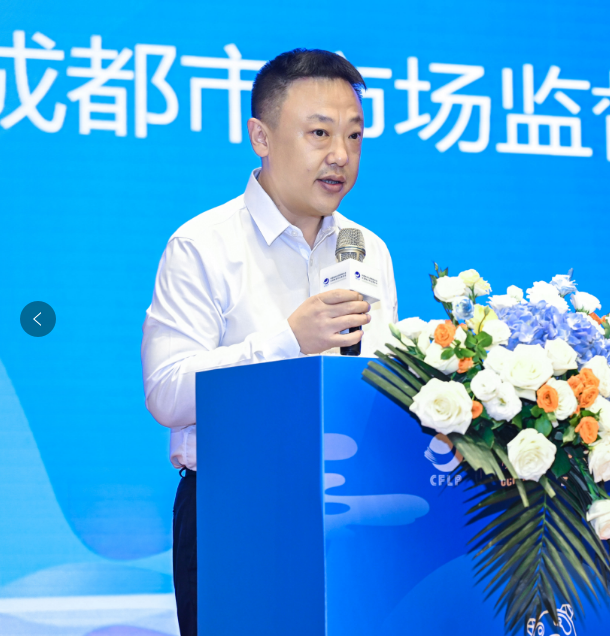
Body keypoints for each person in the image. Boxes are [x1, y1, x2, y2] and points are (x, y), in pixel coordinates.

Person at [140, 49, 398, 636]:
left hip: (357, 512)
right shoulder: (202, 245)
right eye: (319, 133)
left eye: (354, 135)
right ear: (261, 136)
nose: (341, 155)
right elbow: (166, 393)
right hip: (237, 511)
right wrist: (288, 342)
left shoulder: (369, 250)